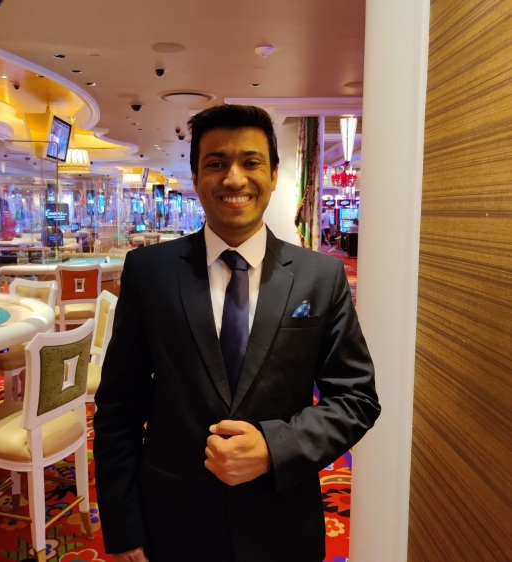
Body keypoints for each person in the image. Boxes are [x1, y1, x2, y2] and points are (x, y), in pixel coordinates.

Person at [93, 104, 381, 562]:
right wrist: (124, 527)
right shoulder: (150, 272)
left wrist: (273, 448)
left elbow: (356, 398)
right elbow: (118, 408)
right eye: (216, 163)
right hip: (173, 517)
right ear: (195, 176)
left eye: (251, 162)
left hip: (281, 517)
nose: (233, 178)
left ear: (273, 174)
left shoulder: (320, 277)